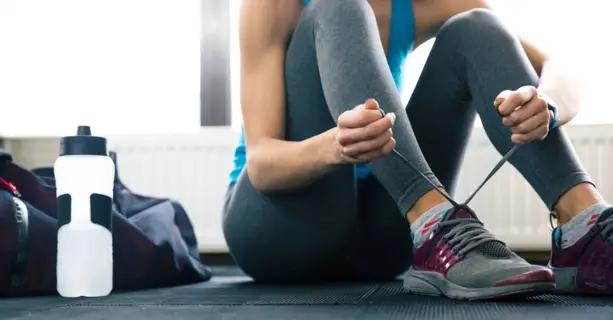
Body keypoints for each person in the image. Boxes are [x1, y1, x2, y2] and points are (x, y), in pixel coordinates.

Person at [222, 0, 613, 299]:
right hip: (276, 227)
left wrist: (549, 103)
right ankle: (434, 223)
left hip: (382, 239)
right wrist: (334, 148)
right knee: (339, 2)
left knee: (478, 26)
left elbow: (560, 65)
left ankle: (582, 227)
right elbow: (261, 165)